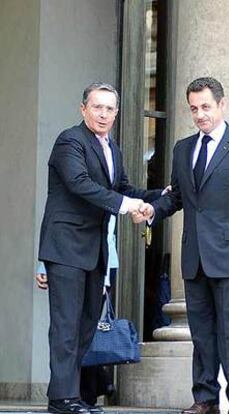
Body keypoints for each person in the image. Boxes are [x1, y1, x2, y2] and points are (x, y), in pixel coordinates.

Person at [133, 77, 229, 414]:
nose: (200, 115)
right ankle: (205, 398)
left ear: (222, 105)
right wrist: (152, 209)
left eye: (206, 107)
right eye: (194, 108)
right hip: (195, 255)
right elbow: (178, 197)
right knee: (201, 331)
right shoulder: (183, 149)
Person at [36, 82, 165, 414]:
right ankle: (62, 398)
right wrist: (128, 205)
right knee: (66, 325)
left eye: (110, 108)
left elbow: (122, 187)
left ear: (117, 113)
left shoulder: (112, 149)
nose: (104, 113)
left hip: (95, 250)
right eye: (97, 107)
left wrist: (157, 197)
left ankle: (71, 393)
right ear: (83, 109)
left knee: (87, 323)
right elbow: (80, 185)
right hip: (65, 247)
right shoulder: (70, 141)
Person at [36, 214, 118, 408]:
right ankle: (64, 396)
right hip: (71, 253)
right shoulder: (84, 182)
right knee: (67, 328)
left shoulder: (113, 183)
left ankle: (75, 395)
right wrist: (45, 266)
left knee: (86, 330)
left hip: (104, 258)